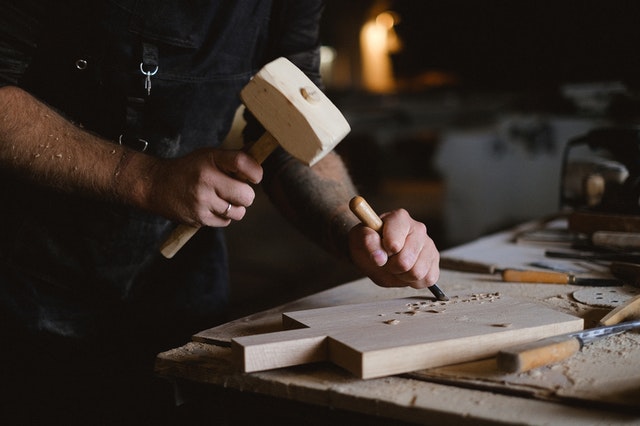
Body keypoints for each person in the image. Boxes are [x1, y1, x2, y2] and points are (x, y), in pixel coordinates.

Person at [0, 0, 440, 423]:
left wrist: (353, 233)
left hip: (182, 280)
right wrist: (144, 178)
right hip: (32, 275)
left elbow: (293, 125)